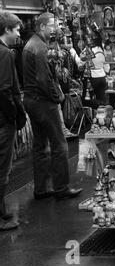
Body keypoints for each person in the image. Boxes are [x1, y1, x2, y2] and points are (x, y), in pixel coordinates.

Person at [22, 12, 82, 200]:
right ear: (42, 27)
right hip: (43, 103)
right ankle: (61, 187)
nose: (55, 28)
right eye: (52, 25)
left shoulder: (31, 45)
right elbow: (44, 79)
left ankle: (41, 189)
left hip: (32, 101)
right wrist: (58, 97)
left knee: (40, 145)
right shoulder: (39, 47)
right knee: (59, 144)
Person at [0, 11, 26, 231]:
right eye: (16, 29)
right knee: (2, 169)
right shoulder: (6, 54)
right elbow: (6, 90)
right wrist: (16, 117)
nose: (18, 33)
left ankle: (2, 210)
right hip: (2, 121)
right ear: (7, 30)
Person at [70, 31, 110, 107]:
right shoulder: (102, 48)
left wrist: (72, 52)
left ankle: (93, 115)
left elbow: (80, 65)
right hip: (102, 77)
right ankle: (101, 114)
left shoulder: (87, 51)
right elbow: (107, 67)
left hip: (92, 78)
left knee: (88, 100)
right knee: (102, 99)